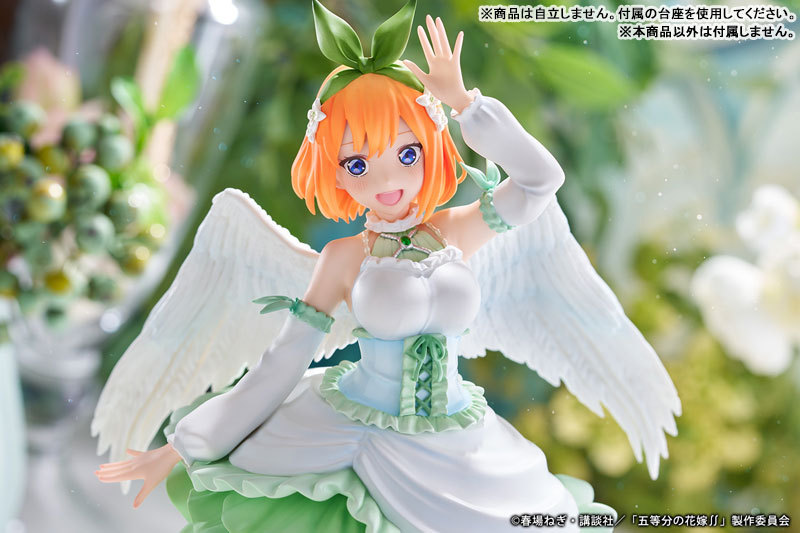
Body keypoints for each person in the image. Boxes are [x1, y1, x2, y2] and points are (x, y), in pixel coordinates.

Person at [94, 2, 679, 532]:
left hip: (456, 439)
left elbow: (540, 182)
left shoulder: (455, 229)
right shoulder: (343, 258)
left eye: (406, 152)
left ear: (431, 144)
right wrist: (187, 445)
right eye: (356, 163)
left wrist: (465, 104)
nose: (387, 180)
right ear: (331, 170)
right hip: (354, 438)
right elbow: (283, 360)